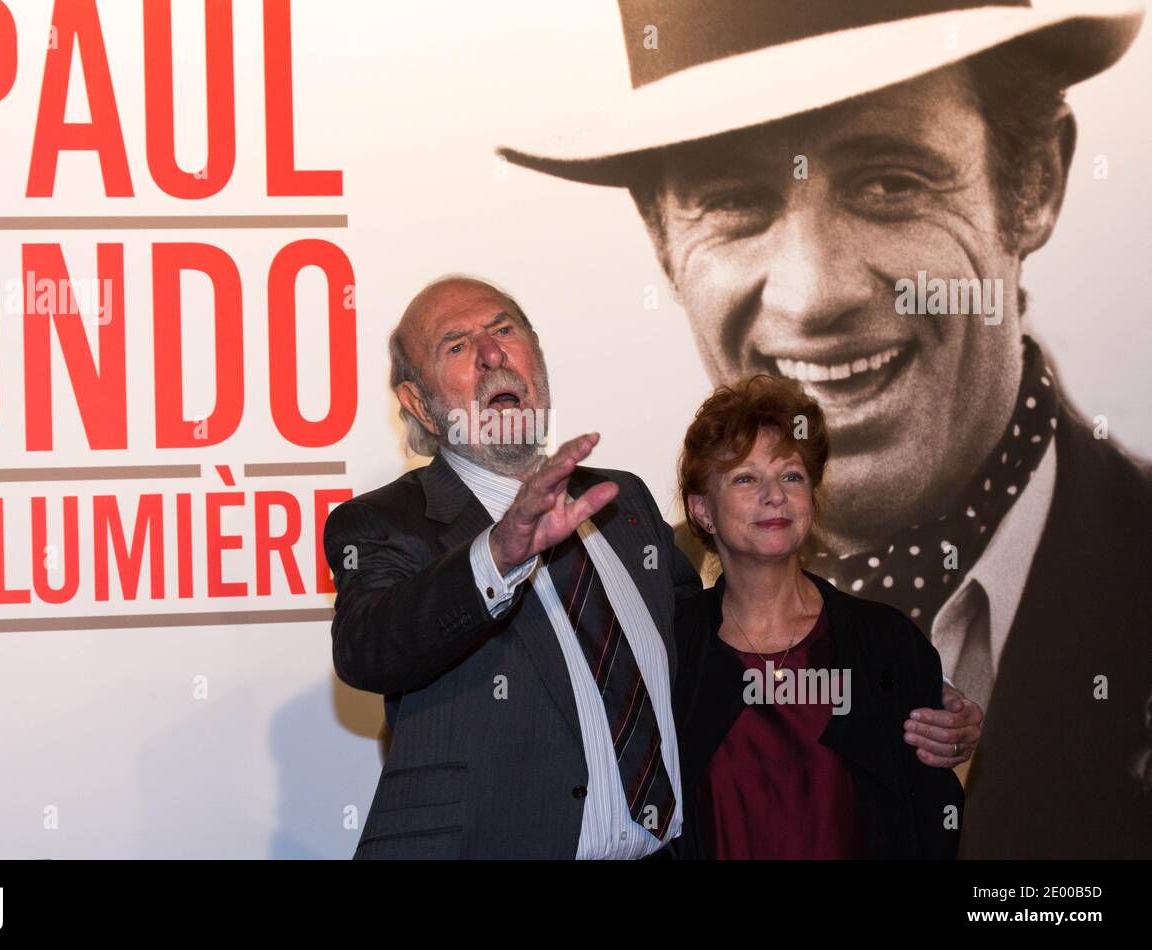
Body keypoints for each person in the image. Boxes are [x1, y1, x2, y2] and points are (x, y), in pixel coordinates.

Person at [498, 0, 1151, 857]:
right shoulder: (632, 631)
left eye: (890, 182)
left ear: (1034, 184)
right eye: (732, 199)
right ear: (661, 236)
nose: (814, 294)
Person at [324, 274, 980, 858]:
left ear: (538, 359)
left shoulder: (622, 502)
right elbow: (369, 649)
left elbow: (708, 644)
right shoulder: (384, 524)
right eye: (457, 345)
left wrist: (905, 689)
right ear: (416, 404)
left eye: (505, 329)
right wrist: (500, 551)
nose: (493, 353)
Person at [673, 375, 962, 859]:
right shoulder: (671, 648)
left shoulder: (885, 642)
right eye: (746, 478)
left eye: (791, 476)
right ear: (702, 510)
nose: (774, 496)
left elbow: (931, 821)